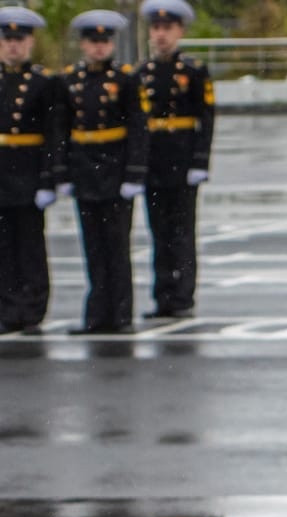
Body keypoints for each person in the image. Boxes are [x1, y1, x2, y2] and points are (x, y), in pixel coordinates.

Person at [61, 11, 142, 336]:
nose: (99, 48)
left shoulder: (125, 80)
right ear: (83, 44)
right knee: (93, 247)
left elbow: (138, 128)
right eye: (93, 42)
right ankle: (95, 315)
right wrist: (63, 173)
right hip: (85, 171)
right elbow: (63, 129)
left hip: (115, 170)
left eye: (104, 42)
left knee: (117, 247)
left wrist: (134, 174)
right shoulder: (71, 81)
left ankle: (121, 315)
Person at [132, 0, 208, 322]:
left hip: (182, 159)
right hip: (154, 162)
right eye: (156, 28)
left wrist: (200, 162)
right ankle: (162, 294)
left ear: (180, 31)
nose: (161, 35)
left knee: (181, 232)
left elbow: (206, 118)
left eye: (168, 29)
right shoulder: (141, 73)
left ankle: (182, 295)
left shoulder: (192, 71)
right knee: (158, 231)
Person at [0, 6, 64, 335]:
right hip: (2, 174)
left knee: (30, 246)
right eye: (7, 39)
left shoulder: (43, 83)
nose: (13, 46)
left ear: (30, 43)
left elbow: (53, 133)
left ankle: (33, 307)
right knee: (4, 246)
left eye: (19, 39)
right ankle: (8, 308)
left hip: (28, 172)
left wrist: (48, 178)